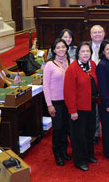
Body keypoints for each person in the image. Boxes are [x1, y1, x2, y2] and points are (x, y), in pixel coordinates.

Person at [64, 42, 99, 171]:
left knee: (90, 133)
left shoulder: (92, 65)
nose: (85, 54)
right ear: (78, 53)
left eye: (88, 51)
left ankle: (89, 155)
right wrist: (72, 111)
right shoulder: (72, 68)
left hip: (91, 105)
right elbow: (69, 92)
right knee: (79, 136)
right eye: (83, 51)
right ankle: (80, 160)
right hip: (78, 109)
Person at [43, 38, 72, 166]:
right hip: (56, 102)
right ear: (54, 50)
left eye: (63, 47)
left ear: (66, 48)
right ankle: (57, 153)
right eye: (58, 47)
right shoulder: (49, 65)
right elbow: (45, 86)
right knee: (58, 128)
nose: (61, 49)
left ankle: (64, 151)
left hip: (68, 101)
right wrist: (49, 104)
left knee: (66, 127)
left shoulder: (69, 61)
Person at [89, 25, 105, 143]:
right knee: (93, 111)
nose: (97, 34)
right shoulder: (86, 47)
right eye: (95, 32)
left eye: (100, 32)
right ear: (90, 35)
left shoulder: (108, 46)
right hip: (90, 84)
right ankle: (94, 134)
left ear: (104, 34)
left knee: (105, 109)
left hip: (104, 83)